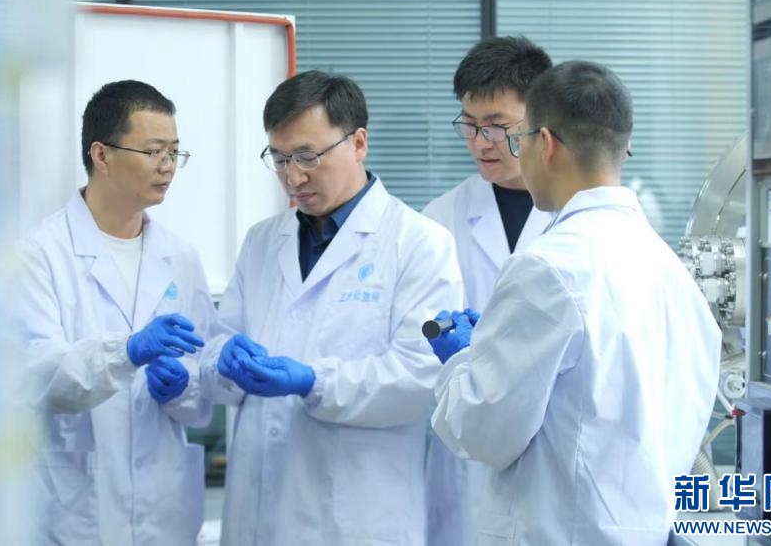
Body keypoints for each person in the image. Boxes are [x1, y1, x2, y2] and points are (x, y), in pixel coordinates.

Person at [430, 61, 721, 545]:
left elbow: (485, 431)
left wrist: (463, 361)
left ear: (544, 143)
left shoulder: (548, 267)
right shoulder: (671, 270)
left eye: (517, 138)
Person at [202, 70, 463, 545]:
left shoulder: (419, 243)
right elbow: (220, 340)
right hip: (258, 516)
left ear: (358, 143)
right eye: (279, 159)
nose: (293, 177)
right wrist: (222, 359)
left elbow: (417, 376)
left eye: (307, 156)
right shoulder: (262, 241)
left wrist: (313, 381)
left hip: (356, 519)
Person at [16, 80, 215, 544]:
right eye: (153, 151)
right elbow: (37, 375)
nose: (167, 166)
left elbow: (200, 391)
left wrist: (185, 388)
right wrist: (126, 351)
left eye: (175, 152)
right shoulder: (39, 255)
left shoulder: (181, 258)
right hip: (75, 514)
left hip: (163, 517)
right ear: (101, 155)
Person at [421, 35, 554, 546]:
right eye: (470, 125)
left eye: (497, 126)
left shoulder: (580, 217)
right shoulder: (440, 219)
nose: (480, 142)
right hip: (467, 455)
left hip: (552, 451)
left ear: (540, 119)